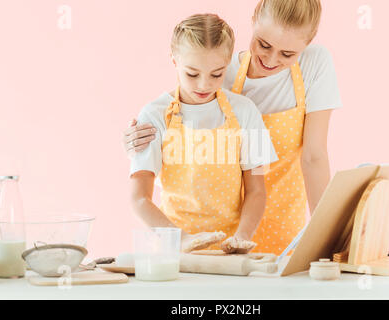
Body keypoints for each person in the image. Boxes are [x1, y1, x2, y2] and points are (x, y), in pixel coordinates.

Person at [124, 0, 342, 255]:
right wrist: (137, 144)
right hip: (211, 230)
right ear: (254, 20)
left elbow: (314, 156)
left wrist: (325, 235)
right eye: (264, 44)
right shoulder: (217, 69)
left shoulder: (311, 66)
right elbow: (185, 155)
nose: (271, 60)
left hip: (279, 221)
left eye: (288, 54)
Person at [129, 14, 278, 253]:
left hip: (229, 253)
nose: (204, 85)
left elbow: (257, 190)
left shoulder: (247, 111)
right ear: (174, 60)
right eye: (192, 74)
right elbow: (138, 199)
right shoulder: (153, 115)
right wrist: (180, 240)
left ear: (228, 63)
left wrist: (242, 237)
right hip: (174, 253)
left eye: (217, 74)